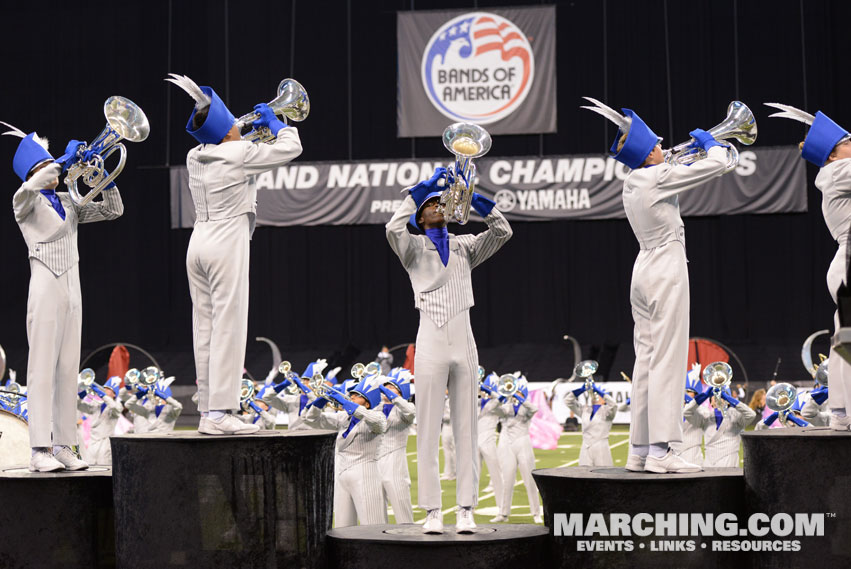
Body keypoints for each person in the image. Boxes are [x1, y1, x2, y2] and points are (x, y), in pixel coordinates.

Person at [582, 98, 733, 473]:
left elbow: (670, 170)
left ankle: (640, 450)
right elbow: (718, 165)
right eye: (658, 146)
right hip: (665, 265)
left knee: (647, 359)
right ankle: (663, 451)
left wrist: (686, 154)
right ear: (648, 154)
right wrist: (711, 143)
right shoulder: (657, 175)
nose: (665, 150)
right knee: (668, 357)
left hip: (643, 268)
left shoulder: (633, 180)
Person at [165, 73, 302, 435]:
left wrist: (237, 129)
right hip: (227, 240)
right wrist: (277, 125)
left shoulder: (195, 154)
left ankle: (209, 408)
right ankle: (222, 411)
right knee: (230, 325)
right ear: (227, 131)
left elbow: (222, 139)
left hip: (198, 243)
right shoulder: (238, 151)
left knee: (205, 328)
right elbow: (292, 149)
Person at [386, 167, 512, 533]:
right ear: (420, 217)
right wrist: (419, 190)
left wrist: (476, 200)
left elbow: (503, 231)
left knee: (466, 427)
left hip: (464, 338)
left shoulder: (465, 246)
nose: (438, 206)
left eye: (440, 202)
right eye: (430, 204)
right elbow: (393, 229)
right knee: (427, 427)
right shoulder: (412, 248)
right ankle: (432, 512)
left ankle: (466, 508)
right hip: (430, 338)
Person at [4, 121, 124, 472]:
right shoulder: (23, 202)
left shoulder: (69, 201)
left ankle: (63, 445)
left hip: (73, 287)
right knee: (41, 367)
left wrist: (105, 179)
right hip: (45, 285)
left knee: (69, 369)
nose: (53, 173)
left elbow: (112, 211)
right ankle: (38, 448)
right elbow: (33, 184)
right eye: (45, 167)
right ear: (34, 170)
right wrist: (59, 159)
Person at [767, 103, 851, 431]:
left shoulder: (837, 169)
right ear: (832, 155)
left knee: (844, 340)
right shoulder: (837, 171)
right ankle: (843, 414)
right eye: (847, 143)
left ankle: (843, 413)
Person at [302, 373, 388, 527]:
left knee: (372, 526)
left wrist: (352, 407)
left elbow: (377, 423)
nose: (351, 397)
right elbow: (311, 420)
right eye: (352, 394)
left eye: (357, 395)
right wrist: (319, 403)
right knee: (342, 527)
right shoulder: (343, 417)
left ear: (367, 403)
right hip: (341, 475)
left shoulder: (377, 416)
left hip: (365, 474)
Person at [491, 381, 542, 524]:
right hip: (506, 443)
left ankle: (536, 513)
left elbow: (534, 409)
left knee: (529, 480)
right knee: (506, 479)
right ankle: (503, 513)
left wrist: (520, 398)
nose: (514, 395)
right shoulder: (506, 406)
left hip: (523, 442)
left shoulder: (526, 408)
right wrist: (502, 397)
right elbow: (493, 409)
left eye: (518, 392)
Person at [376, 369, 416, 524]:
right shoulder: (376, 407)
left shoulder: (404, 409)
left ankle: (409, 543)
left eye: (392, 386)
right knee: (376, 512)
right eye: (385, 385)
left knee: (401, 509)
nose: (386, 388)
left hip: (395, 463)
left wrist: (395, 397)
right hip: (375, 462)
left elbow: (410, 411)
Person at [683, 386, 755, 467]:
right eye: (714, 396)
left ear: (728, 402)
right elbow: (687, 412)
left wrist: (728, 397)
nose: (718, 397)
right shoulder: (706, 417)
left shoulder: (736, 417)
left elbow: (751, 414)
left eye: (721, 396)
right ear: (711, 403)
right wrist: (705, 395)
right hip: (709, 465)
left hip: (729, 464)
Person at [564, 382, 618, 467]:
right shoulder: (585, 410)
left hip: (601, 447)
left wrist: (600, 392)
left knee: (603, 474)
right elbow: (568, 401)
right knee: (584, 474)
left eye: (597, 394)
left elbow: (613, 405)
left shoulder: (607, 412)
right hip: (586, 447)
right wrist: (580, 390)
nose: (595, 395)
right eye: (593, 393)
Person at [76, 376, 124, 465]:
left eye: (108, 389)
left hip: (105, 443)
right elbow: (77, 405)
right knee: (90, 468)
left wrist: (102, 395)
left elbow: (113, 406)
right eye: (104, 388)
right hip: (92, 442)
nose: (104, 390)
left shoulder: (118, 405)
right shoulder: (96, 404)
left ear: (114, 394)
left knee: (106, 468)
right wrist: (82, 394)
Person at [670, 364, 705, 466]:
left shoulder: (700, 410)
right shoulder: (672, 409)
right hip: (673, 456)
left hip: (692, 456)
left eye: (689, 392)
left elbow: (704, 413)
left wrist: (690, 401)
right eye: (684, 391)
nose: (685, 394)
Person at [478, 372, 503, 508]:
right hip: (475, 442)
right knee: (473, 475)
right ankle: (469, 508)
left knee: (495, 472)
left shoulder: (494, 403)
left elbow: (500, 398)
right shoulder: (478, 402)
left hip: (488, 441)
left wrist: (490, 391)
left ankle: (502, 508)